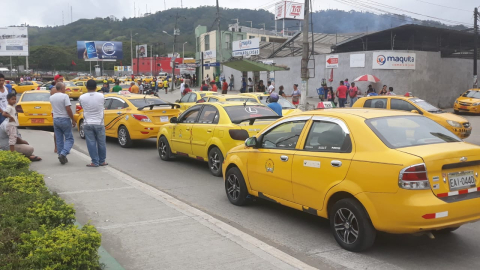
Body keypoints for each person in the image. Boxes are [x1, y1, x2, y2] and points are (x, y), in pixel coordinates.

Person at [0, 93, 41, 161]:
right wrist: (23, 142)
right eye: (12, 99)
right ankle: (14, 157)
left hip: (9, 143)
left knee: (25, 145)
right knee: (30, 148)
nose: (14, 101)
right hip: (6, 146)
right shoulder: (7, 123)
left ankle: (25, 156)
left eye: (15, 99)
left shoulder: (11, 121)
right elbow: (14, 138)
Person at [79, 80, 107, 167]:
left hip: (87, 123)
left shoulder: (82, 97)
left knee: (91, 143)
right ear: (96, 87)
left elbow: (81, 105)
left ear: (86, 87)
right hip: (99, 123)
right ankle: (102, 161)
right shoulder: (101, 96)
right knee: (101, 143)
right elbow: (103, 104)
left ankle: (94, 162)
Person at [50, 82, 76, 165]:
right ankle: (63, 153)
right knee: (69, 138)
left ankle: (60, 155)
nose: (65, 89)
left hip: (56, 119)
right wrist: (73, 119)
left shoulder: (52, 97)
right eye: (64, 88)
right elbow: (68, 109)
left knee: (59, 138)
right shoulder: (65, 96)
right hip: (64, 119)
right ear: (61, 88)